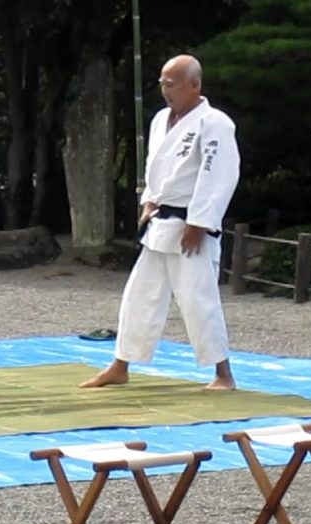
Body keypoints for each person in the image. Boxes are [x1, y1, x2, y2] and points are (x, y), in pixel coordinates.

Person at [80, 54, 240, 392]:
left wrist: (199, 222)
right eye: (162, 84)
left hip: (190, 226)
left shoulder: (215, 123)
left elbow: (218, 175)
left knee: (199, 300)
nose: (165, 91)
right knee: (139, 295)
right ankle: (120, 364)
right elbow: (156, 169)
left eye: (172, 84)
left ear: (195, 85)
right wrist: (149, 201)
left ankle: (223, 375)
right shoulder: (160, 120)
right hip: (160, 224)